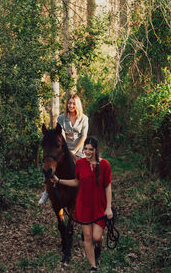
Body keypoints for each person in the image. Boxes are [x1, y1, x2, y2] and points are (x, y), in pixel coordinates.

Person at [51, 137, 113, 272]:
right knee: (87, 236)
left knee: (97, 237)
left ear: (96, 150)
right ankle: (93, 266)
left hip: (98, 205)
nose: (87, 151)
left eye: (91, 149)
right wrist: (59, 180)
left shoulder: (105, 165)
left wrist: (108, 207)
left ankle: (99, 246)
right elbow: (76, 182)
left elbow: (107, 186)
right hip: (83, 204)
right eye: (85, 149)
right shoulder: (79, 164)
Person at [38, 94, 89, 204]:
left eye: (73, 103)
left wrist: (74, 151)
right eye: (69, 103)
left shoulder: (84, 119)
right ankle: (47, 190)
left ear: (77, 105)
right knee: (49, 162)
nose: (70, 105)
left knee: (85, 168)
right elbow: (61, 135)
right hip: (63, 147)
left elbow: (83, 136)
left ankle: (85, 191)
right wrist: (65, 148)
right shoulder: (61, 118)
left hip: (79, 149)